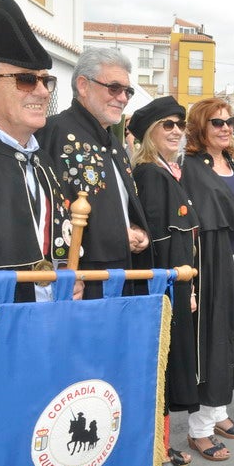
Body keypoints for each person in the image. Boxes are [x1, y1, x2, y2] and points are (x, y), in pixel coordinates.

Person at [0, 0, 82, 322]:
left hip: (47, 331)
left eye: (45, 80)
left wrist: (71, 275)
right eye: (26, 79)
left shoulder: (43, 161)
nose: (42, 91)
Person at [37, 47, 151, 299]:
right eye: (114, 88)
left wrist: (135, 229)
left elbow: (119, 205)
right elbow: (45, 212)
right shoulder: (52, 133)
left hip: (119, 276)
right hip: (79, 283)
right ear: (83, 85)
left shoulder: (114, 145)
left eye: (127, 91)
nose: (122, 98)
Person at [181, 98, 234, 462]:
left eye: (229, 121)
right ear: (200, 127)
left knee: (228, 341)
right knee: (209, 342)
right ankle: (199, 430)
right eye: (217, 122)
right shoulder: (190, 168)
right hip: (208, 265)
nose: (225, 127)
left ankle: (218, 413)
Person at [129, 96, 199, 466]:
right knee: (158, 369)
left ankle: (162, 441)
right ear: (148, 134)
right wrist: (178, 288)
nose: (176, 131)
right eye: (166, 125)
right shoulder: (151, 175)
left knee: (167, 369)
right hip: (161, 290)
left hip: (174, 285)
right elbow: (158, 246)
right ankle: (153, 454)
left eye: (179, 124)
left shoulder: (167, 171)